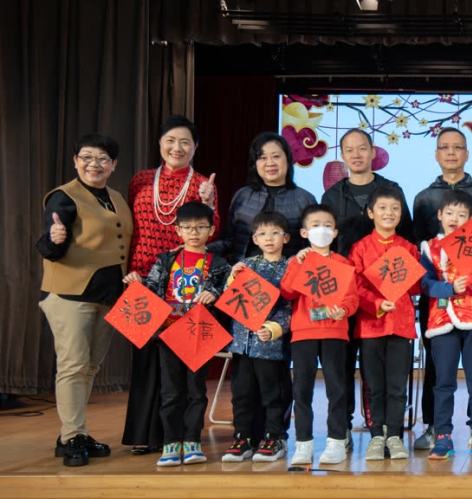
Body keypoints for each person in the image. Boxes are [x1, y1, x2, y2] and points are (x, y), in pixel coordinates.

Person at [122, 115, 219, 457]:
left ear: (195, 147)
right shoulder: (140, 180)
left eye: (185, 142)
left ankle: (177, 436)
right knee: (147, 359)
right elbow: (130, 227)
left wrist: (208, 203)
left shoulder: (204, 184)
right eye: (170, 141)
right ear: (160, 143)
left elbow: (213, 233)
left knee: (181, 367)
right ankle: (144, 434)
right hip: (142, 279)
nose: (177, 148)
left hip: (183, 285)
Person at [38, 134, 134, 467]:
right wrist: (54, 239)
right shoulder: (63, 197)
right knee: (73, 365)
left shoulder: (116, 198)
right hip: (71, 294)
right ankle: (72, 436)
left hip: (108, 295)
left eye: (103, 158)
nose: (95, 164)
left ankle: (73, 432)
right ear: (76, 161)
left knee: (90, 367)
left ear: (114, 165)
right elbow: (48, 245)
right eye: (87, 157)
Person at [411, 127, 472, 451]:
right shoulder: (424, 197)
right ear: (436, 154)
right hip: (440, 309)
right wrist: (444, 287)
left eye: (457, 147)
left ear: (467, 153)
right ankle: (437, 429)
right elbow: (421, 260)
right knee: (439, 375)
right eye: (445, 147)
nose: (451, 153)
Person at [320, 128, 414, 436]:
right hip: (346, 288)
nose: (356, 154)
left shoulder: (391, 190)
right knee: (343, 361)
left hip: (387, 293)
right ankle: (344, 428)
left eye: (362, 148)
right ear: (342, 156)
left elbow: (406, 239)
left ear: (373, 152)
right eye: (349, 150)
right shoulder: (332, 195)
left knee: (384, 367)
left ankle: (383, 425)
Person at [122, 202, 231, 467]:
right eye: (187, 227)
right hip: (168, 335)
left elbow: (229, 292)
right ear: (177, 230)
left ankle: (192, 441)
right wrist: (137, 282)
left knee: (196, 391)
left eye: (201, 227)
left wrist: (214, 294)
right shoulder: (166, 260)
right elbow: (151, 288)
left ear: (211, 230)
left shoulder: (219, 264)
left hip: (198, 334)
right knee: (170, 391)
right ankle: (171, 442)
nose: (194, 232)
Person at [419, 190, 472, 460]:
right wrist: (447, 288)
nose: (454, 219)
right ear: (439, 215)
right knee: (443, 382)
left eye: (461, 215)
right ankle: (442, 435)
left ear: (470, 219)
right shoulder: (429, 247)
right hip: (443, 319)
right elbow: (425, 283)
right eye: (449, 213)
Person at [282, 205, 360, 466]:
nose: (322, 230)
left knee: (336, 388)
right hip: (303, 332)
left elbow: (352, 299)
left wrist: (343, 311)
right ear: (304, 232)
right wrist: (298, 263)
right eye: (315, 225)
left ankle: (336, 441)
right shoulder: (297, 261)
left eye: (327, 225)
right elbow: (287, 292)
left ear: (335, 232)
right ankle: (303, 444)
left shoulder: (342, 263)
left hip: (334, 331)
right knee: (301, 390)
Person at [350, 186, 422, 461]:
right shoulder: (360, 248)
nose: (389, 213)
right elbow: (354, 286)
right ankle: (376, 437)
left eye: (395, 208)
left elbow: (416, 287)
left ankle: (395, 435)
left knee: (397, 385)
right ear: (370, 213)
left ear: (401, 214)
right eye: (382, 208)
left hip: (401, 324)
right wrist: (377, 303)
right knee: (374, 385)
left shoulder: (409, 248)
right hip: (370, 325)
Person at [220, 212, 292, 463]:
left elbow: (291, 307)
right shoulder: (246, 265)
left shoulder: (290, 267)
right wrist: (232, 277)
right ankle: (242, 438)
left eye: (275, 233)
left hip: (270, 346)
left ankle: (274, 437)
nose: (269, 238)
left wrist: (274, 328)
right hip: (242, 344)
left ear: (286, 237)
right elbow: (228, 297)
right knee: (241, 394)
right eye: (262, 234)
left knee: (273, 394)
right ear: (254, 239)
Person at [212, 132, 316, 264]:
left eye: (276, 156)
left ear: (288, 160)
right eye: (262, 157)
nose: (270, 163)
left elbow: (313, 246)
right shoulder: (242, 196)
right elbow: (229, 241)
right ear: (255, 163)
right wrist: (198, 249)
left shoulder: (305, 199)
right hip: (244, 272)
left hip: (289, 273)